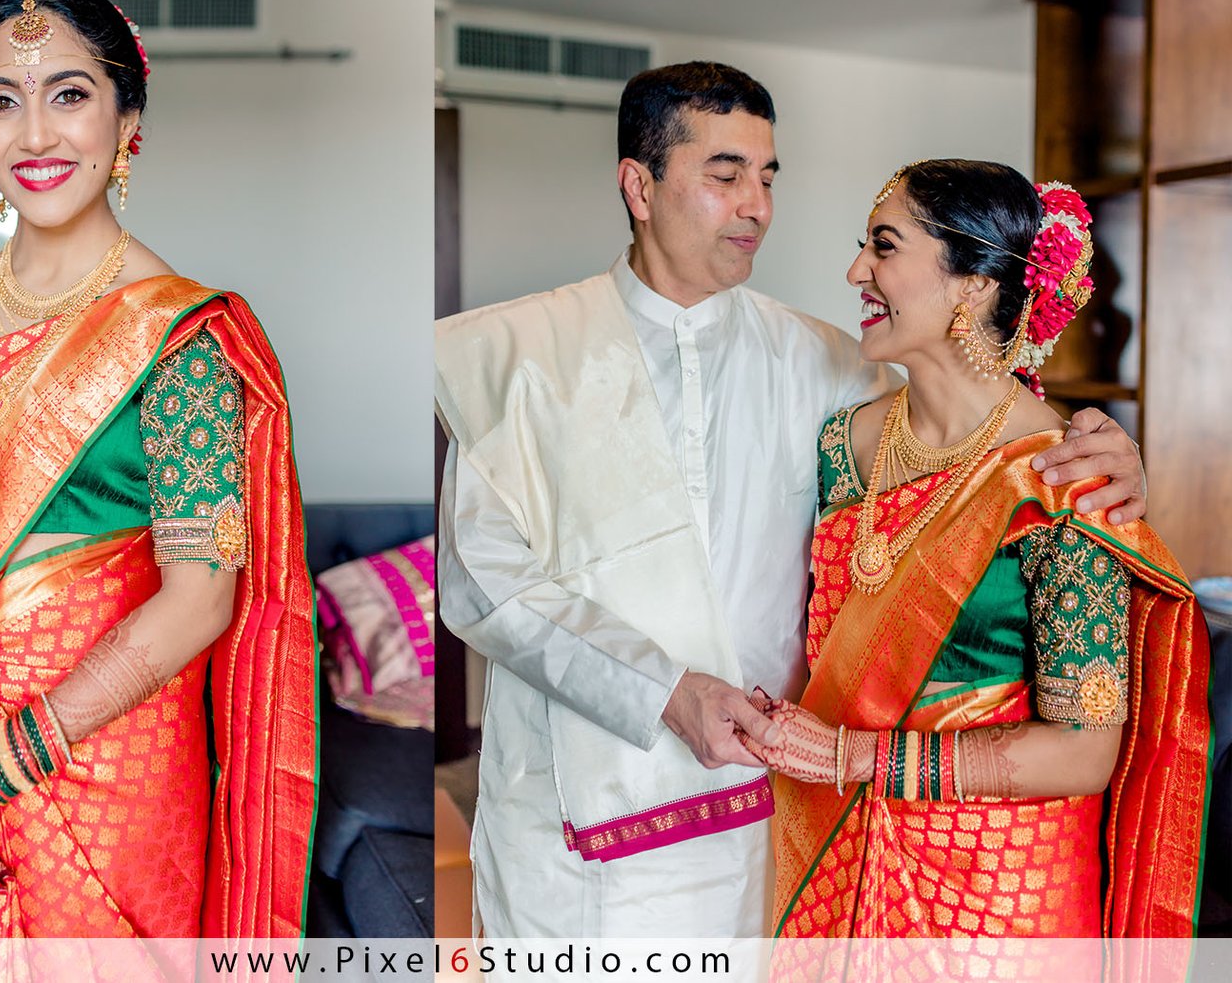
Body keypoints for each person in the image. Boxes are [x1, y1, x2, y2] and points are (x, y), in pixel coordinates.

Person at [434, 63, 1147, 938]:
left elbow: (973, 420)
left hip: (768, 814)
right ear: (640, 186)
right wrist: (663, 690)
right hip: (570, 824)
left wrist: (1106, 449)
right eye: (726, 174)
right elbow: (482, 583)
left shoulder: (826, 364)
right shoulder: (515, 355)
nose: (758, 206)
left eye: (768, 178)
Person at [0, 0, 316, 939]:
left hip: (106, 776)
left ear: (127, 118)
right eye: (1, 101)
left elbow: (200, 598)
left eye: (68, 94)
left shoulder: (178, 334)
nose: (35, 135)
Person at [751, 160, 1210, 949]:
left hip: (1001, 902)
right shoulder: (841, 444)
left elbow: (1084, 750)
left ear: (973, 282)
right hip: (845, 858)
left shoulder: (1059, 478)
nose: (856, 271)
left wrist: (851, 756)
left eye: (884, 246)